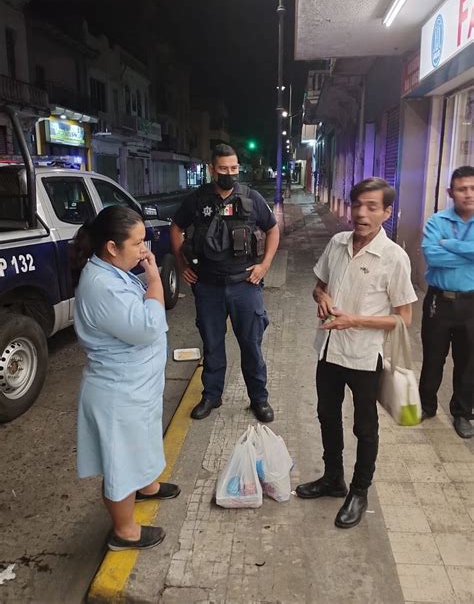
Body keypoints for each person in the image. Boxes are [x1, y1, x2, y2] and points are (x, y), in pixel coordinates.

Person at [296, 177, 417, 528]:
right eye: (357, 205)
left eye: (371, 207)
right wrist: (322, 298)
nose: (361, 213)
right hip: (328, 351)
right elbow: (319, 285)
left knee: (365, 427)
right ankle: (333, 478)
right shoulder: (336, 243)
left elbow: (404, 318)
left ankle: (359, 491)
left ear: (386, 212)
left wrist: (355, 320)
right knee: (327, 416)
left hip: (365, 357)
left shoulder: (394, 257)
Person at [70, 206, 180, 552]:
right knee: (120, 461)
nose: (144, 250)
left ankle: (146, 486)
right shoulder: (102, 285)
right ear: (112, 247)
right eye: (137, 243)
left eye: (145, 241)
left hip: (135, 386)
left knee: (141, 440)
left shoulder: (113, 270)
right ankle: (125, 532)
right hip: (118, 392)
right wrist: (155, 280)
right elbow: (148, 327)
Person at [170, 143, 280, 422]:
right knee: (212, 344)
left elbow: (272, 229)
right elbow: (176, 227)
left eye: (233, 169)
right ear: (211, 169)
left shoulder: (252, 198)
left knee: (251, 345)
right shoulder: (197, 200)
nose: (229, 174)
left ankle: (259, 399)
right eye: (223, 169)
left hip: (245, 285)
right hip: (208, 286)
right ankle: (211, 396)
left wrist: (265, 265)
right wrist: (182, 264)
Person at [419, 165, 474, 439]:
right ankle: (427, 405)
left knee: (468, 361)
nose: (468, 194)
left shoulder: (444, 232)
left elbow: (442, 252)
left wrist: (450, 245)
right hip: (438, 302)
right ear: (451, 192)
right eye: (462, 189)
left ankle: (462, 413)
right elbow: (432, 256)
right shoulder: (436, 221)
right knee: (433, 356)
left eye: (473, 188)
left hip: (471, 303)